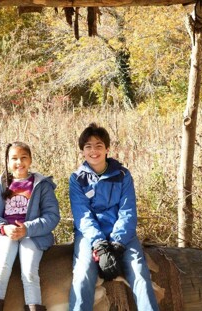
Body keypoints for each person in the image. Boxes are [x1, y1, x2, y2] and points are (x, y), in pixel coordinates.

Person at [68, 123, 159, 311]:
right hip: (90, 236)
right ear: (82, 151)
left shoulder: (123, 175)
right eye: (88, 147)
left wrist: (117, 244)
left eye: (99, 146)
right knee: (83, 273)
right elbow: (82, 216)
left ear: (107, 149)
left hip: (122, 234)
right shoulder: (77, 179)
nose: (94, 151)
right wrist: (100, 246)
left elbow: (128, 211)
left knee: (140, 273)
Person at [0, 142, 61, 311]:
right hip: (6, 234)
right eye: (14, 159)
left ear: (30, 160)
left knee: (29, 273)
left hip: (33, 236)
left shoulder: (42, 185)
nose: (19, 162)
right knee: (1, 268)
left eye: (23, 157)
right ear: (8, 162)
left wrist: (27, 228)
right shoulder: (0, 185)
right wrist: (3, 228)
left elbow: (52, 216)